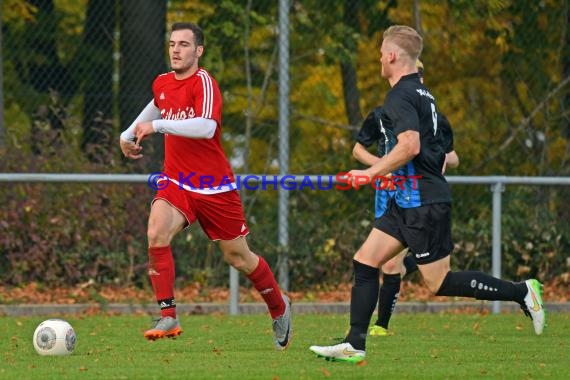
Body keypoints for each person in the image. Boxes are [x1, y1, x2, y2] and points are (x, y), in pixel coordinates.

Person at [310, 25, 544, 363]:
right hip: (406, 200)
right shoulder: (424, 96)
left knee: (438, 282)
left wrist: (371, 172)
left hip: (423, 202)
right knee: (365, 261)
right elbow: (434, 151)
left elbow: (410, 146)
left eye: (380, 52)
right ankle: (354, 343)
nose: (379, 57)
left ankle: (522, 292)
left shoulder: (400, 95)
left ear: (391, 56)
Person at [119, 22, 292, 350]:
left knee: (239, 258)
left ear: (198, 51)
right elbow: (156, 105)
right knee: (156, 231)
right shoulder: (163, 82)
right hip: (176, 181)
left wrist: (155, 126)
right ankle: (168, 316)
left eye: (184, 44)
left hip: (213, 186)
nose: (176, 50)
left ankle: (279, 306)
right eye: (172, 44)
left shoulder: (204, 83)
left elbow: (205, 126)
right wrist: (127, 135)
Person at [353, 60, 460, 337]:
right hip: (388, 194)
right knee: (374, 261)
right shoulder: (383, 112)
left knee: (394, 265)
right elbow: (357, 150)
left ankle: (379, 326)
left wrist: (438, 159)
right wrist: (379, 167)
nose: (418, 79)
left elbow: (451, 155)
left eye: (421, 74)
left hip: (418, 195)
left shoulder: (434, 117)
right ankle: (357, 338)